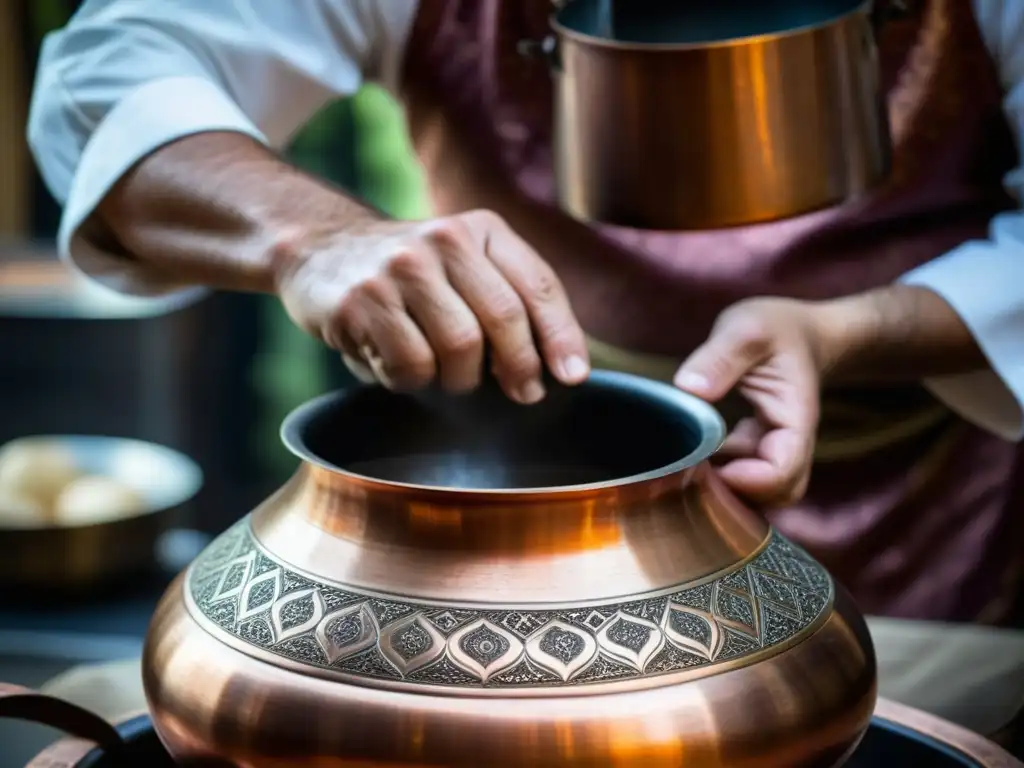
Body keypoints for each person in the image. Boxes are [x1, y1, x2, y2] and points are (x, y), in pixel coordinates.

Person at [27, 0, 1024, 740]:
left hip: (941, 525)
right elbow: (109, 71)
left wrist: (849, 332)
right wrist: (311, 237)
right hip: (446, 562)